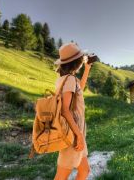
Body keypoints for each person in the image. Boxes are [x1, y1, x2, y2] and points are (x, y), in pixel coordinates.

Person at [54, 42, 91, 180]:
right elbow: (64, 110)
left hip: (76, 132)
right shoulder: (69, 80)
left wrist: (87, 69)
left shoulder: (67, 79)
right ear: (76, 62)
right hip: (72, 134)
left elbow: (79, 88)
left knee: (85, 171)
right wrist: (79, 135)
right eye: (81, 59)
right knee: (61, 176)